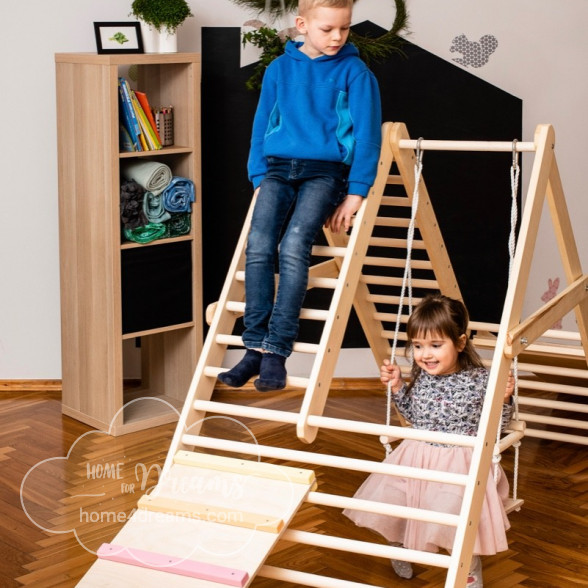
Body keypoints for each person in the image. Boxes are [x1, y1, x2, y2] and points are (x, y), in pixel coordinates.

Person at [218, 0, 382, 392]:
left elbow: (368, 136)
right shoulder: (279, 69)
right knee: (258, 247)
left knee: (293, 246)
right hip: (276, 169)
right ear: (302, 25)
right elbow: (262, 123)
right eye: (328, 29)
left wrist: (355, 193)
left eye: (345, 28)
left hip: (325, 173)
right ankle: (253, 348)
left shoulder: (356, 72)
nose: (337, 37)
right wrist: (258, 175)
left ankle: (276, 351)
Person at [343, 294, 514, 588]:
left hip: (458, 463)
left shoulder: (481, 379)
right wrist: (397, 385)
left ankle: (468, 572)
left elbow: (496, 426)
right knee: (397, 504)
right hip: (416, 455)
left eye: (436, 345)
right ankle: (400, 546)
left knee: (453, 519)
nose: (425, 354)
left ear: (460, 343)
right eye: (418, 346)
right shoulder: (422, 375)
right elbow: (413, 415)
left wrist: (504, 399)